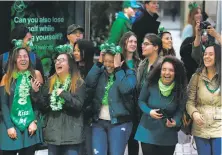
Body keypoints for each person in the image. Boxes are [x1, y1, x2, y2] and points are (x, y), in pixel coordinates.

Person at [85, 43, 136, 155]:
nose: (108, 65)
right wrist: (98, 63)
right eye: (105, 61)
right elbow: (88, 82)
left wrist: (118, 69)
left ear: (120, 61)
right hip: (99, 122)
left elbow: (125, 89)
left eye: (111, 61)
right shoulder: (100, 71)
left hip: (119, 122)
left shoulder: (129, 73)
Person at [32, 52, 86, 155]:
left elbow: (78, 106)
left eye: (62, 60)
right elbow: (44, 107)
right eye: (57, 60)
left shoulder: (78, 83)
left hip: (72, 135)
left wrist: (64, 94)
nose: (58, 62)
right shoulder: (50, 82)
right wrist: (36, 92)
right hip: (53, 134)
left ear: (69, 65)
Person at [135, 56, 187, 155]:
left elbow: (180, 111)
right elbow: (141, 101)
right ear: (160, 71)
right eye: (164, 69)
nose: (167, 73)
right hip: (147, 132)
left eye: (171, 70)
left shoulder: (180, 90)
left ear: (176, 73)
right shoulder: (150, 83)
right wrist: (149, 112)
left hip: (167, 135)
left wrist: (175, 121)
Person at [0, 47, 43, 155]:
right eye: (19, 57)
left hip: (30, 124)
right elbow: (3, 104)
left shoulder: (35, 74)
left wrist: (34, 121)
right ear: (14, 60)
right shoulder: (7, 77)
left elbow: (40, 103)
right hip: (11, 123)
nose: (23, 59)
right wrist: (9, 126)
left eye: (25, 56)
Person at [186, 44, 221, 155]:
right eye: (205, 54)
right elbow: (189, 101)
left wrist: (216, 35)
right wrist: (194, 113)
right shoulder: (196, 77)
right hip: (200, 127)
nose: (207, 57)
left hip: (219, 127)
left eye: (211, 54)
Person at [119, 31, 140, 155]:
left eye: (135, 42)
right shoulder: (118, 61)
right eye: (130, 41)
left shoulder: (139, 62)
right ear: (124, 42)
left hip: (134, 107)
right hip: (121, 105)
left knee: (133, 141)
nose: (133, 44)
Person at [73, 39, 95, 155]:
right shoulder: (72, 69)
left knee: (87, 149)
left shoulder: (95, 70)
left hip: (88, 118)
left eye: (78, 50)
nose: (75, 53)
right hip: (74, 116)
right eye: (74, 50)